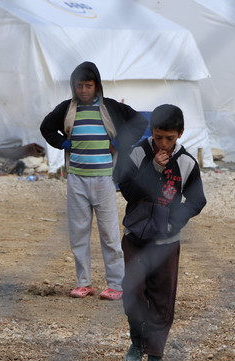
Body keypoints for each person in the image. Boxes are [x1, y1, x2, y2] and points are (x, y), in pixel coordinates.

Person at [40, 61, 148, 300]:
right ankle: (84, 283)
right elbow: (46, 127)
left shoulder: (109, 108)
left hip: (104, 179)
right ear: (73, 87)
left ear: (97, 86)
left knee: (109, 234)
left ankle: (116, 286)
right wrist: (62, 143)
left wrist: (122, 142)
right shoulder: (67, 109)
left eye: (88, 85)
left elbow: (140, 122)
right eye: (79, 86)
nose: (84, 90)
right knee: (78, 233)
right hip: (77, 179)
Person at [116, 104, 206, 361]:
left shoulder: (187, 162)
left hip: (166, 243)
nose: (164, 144)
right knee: (133, 291)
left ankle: (155, 355)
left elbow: (197, 200)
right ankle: (136, 342)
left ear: (180, 133)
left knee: (162, 298)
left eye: (169, 138)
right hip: (136, 237)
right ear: (151, 133)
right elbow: (127, 189)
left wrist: (173, 221)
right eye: (158, 138)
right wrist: (153, 168)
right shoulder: (138, 154)